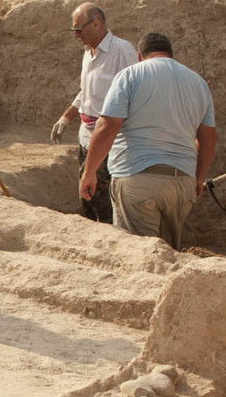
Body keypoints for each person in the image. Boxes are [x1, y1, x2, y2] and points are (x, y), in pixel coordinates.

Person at [79, 32, 216, 250]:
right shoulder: (198, 82)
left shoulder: (130, 75)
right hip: (181, 183)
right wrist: (198, 177)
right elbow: (208, 137)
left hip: (137, 178)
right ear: (171, 55)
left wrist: (89, 171)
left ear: (139, 56)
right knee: (169, 255)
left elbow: (107, 128)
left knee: (138, 254)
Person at [50, 3, 137, 223]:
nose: (76, 35)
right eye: (73, 31)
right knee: (87, 196)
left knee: (104, 199)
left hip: (108, 137)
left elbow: (134, 93)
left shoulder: (122, 52)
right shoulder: (88, 53)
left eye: (78, 30)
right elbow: (86, 91)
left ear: (97, 23)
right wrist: (66, 117)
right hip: (86, 135)